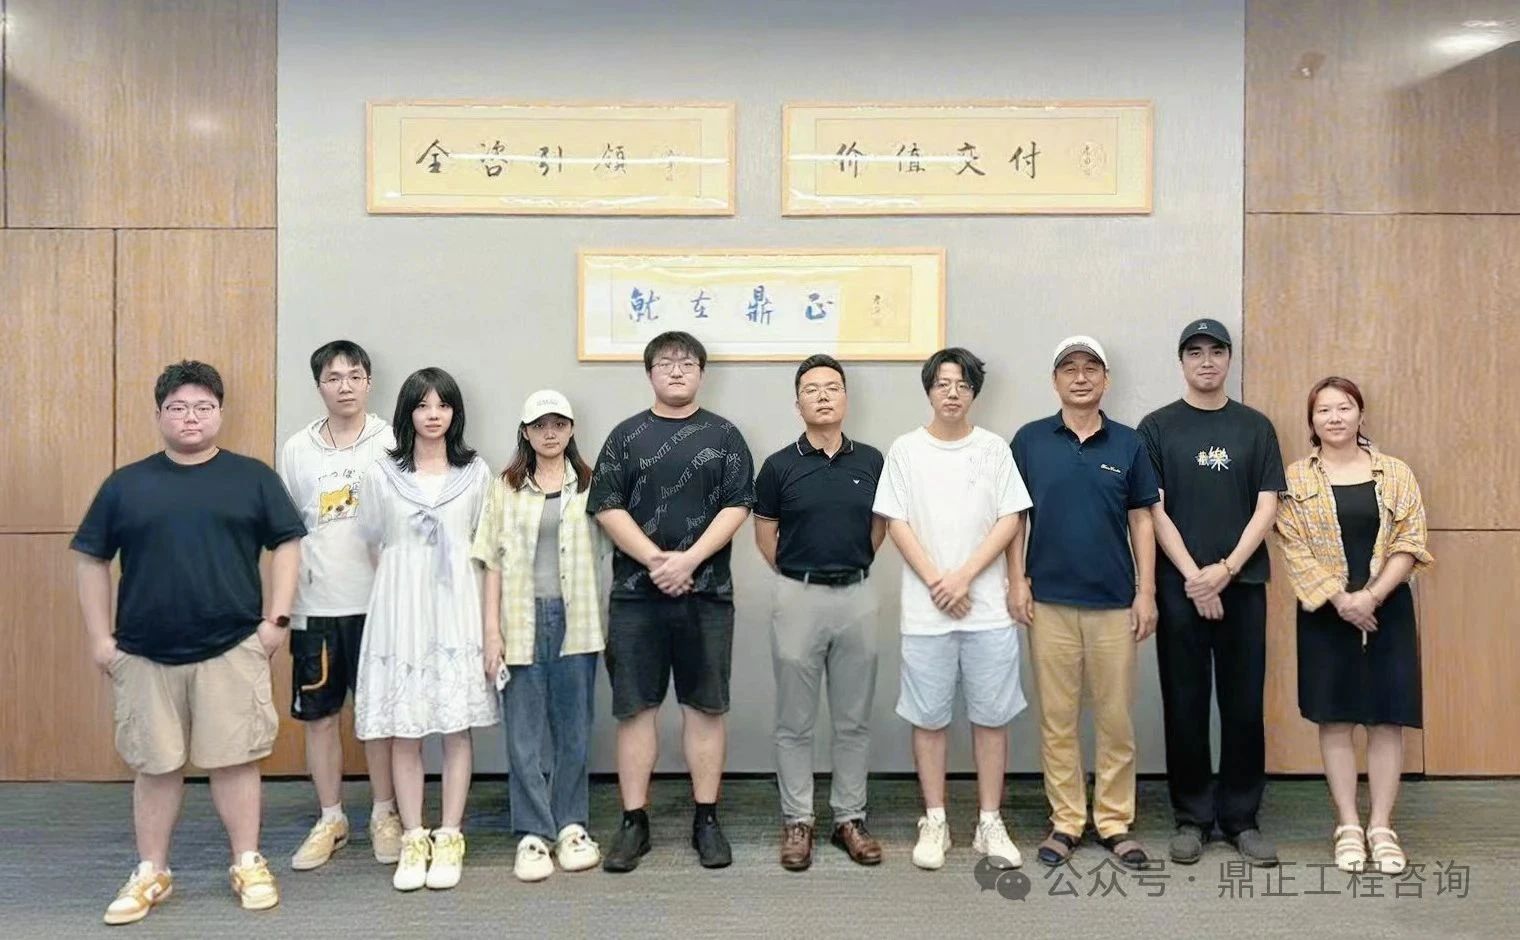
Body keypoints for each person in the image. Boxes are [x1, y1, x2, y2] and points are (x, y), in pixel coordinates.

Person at [73, 360, 305, 925]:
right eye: (177, 407)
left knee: (236, 760)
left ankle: (247, 861)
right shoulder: (126, 484)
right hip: (144, 652)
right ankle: (151, 870)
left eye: (203, 406)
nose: (191, 417)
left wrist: (276, 622)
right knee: (155, 766)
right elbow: (90, 558)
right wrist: (101, 639)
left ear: (220, 412)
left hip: (232, 645)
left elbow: (288, 544)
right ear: (159, 416)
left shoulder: (251, 477)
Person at [587, 331, 755, 873]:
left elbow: (738, 505)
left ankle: (707, 818)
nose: (677, 370)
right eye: (665, 363)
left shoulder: (725, 436)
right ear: (650, 373)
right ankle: (633, 822)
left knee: (705, 707)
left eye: (687, 363)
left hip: (708, 594)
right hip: (635, 597)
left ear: (702, 373)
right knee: (635, 709)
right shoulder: (625, 436)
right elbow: (606, 506)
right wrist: (659, 561)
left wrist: (690, 561)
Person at [872, 347, 1031, 872]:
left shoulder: (994, 449)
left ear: (974, 392)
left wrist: (964, 576)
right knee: (929, 718)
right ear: (929, 390)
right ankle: (935, 818)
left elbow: (1011, 518)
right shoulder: (905, 450)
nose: (953, 393)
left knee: (992, 717)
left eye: (962, 384)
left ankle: (990, 821)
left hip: (988, 612)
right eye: (943, 383)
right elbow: (896, 522)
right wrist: (938, 581)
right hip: (926, 613)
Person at [1137, 318, 1286, 867]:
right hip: (1180, 588)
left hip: (1242, 585)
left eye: (1216, 351)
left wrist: (1224, 569)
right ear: (1181, 361)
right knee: (1185, 703)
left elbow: (1267, 506)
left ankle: (1242, 817)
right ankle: (1192, 817)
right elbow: (1153, 510)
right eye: (1195, 352)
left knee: (1244, 705)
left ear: (1228, 359)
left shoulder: (1255, 426)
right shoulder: (1157, 427)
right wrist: (1194, 577)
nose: (1206, 361)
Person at [1009, 336, 1160, 870]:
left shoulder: (1128, 443)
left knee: (1116, 720)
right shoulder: (1030, 440)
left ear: (1105, 380)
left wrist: (1146, 591)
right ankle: (1068, 820)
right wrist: (1016, 580)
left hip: (1114, 603)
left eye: (1091, 368)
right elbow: (1014, 518)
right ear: (1055, 380)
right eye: (1069, 369)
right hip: (1048, 601)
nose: (1080, 377)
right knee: (1057, 719)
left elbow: (1142, 519)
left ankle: (1114, 821)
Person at [1275, 376, 1431, 875]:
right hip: (1325, 611)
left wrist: (1372, 596)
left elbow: (1410, 539)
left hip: (1388, 609)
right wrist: (1343, 600)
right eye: (1324, 410)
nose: (1335, 417)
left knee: (1387, 718)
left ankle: (1381, 826)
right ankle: (1346, 824)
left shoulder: (1395, 473)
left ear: (1361, 414)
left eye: (1344, 407)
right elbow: (1293, 545)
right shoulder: (1296, 478)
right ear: (1312, 420)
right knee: (1336, 718)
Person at [352, 367, 498, 892]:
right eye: (422, 405)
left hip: (458, 607)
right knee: (405, 728)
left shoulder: (475, 473)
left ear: (455, 413)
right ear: (407, 412)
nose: (433, 415)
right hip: (400, 610)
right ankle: (414, 835)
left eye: (443, 405)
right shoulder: (381, 473)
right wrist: (405, 582)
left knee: (456, 728)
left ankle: (450, 833)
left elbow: (487, 547)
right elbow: (373, 540)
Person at [753, 354, 886, 871]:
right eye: (812, 389)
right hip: (798, 596)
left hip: (857, 596)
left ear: (846, 398)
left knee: (853, 720)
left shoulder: (871, 461)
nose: (823, 395)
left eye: (832, 387)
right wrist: (801, 573)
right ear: (798, 403)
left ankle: (849, 818)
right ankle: (798, 820)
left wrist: (849, 565)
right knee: (794, 722)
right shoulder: (778, 466)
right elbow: (766, 536)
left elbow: (878, 528)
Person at [472, 389, 608, 883]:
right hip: (520, 620)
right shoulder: (504, 487)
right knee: (523, 733)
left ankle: (571, 825)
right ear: (526, 433)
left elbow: (616, 545)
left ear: (571, 430)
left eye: (559, 424)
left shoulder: (592, 485)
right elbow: (490, 560)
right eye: (540, 425)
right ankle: (532, 832)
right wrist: (492, 631)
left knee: (574, 730)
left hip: (578, 621)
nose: (550, 433)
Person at [278, 340, 401, 871]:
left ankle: (384, 812)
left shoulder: (392, 440)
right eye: (333, 377)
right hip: (316, 602)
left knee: (379, 716)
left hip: (381, 602)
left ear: (369, 382)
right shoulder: (296, 449)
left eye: (354, 376)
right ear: (319, 386)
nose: (344, 386)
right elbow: (288, 529)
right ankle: (331, 817)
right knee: (320, 717)